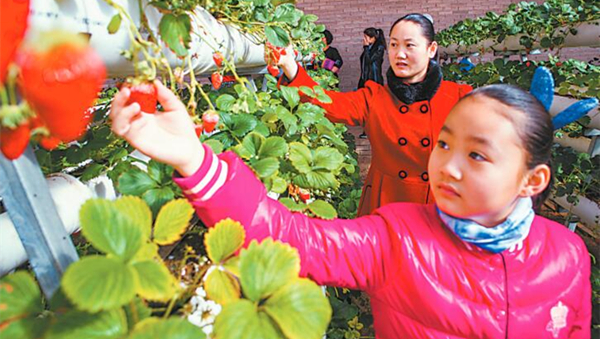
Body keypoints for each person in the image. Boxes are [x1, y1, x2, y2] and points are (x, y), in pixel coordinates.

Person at [111, 81, 591, 338]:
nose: (448, 166)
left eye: (477, 154)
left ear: (532, 180)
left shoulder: (567, 256)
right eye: (443, 144)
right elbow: (289, 237)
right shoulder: (395, 238)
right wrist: (194, 159)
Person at [279, 13, 472, 216]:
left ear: (431, 49)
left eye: (409, 45)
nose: (400, 54)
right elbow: (330, 104)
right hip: (386, 205)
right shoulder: (374, 97)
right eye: (394, 45)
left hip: (438, 207)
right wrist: (291, 68)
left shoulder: (458, 98)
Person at [357, 27, 386, 139]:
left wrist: (366, 48)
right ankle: (368, 130)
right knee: (366, 106)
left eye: (366, 37)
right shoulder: (369, 48)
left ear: (373, 38)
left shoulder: (379, 48)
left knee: (374, 107)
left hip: (374, 80)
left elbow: (370, 61)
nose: (364, 39)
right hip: (365, 80)